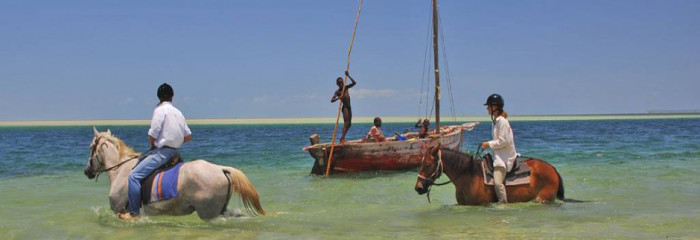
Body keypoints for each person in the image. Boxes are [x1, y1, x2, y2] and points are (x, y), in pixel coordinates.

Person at [118, 83, 192, 220]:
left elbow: (152, 134)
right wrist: (175, 141)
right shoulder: (178, 112)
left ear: (158, 97)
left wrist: (153, 145)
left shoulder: (159, 110)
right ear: (172, 97)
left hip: (162, 152)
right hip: (175, 153)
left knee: (134, 176)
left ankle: (134, 213)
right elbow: (188, 136)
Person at [480, 93, 517, 204]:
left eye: (489, 106)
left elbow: (503, 141)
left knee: (497, 182)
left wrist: (488, 144)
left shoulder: (503, 122)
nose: (487, 108)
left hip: (504, 158)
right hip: (498, 155)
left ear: (495, 107)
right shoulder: (496, 122)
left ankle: (503, 203)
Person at [331, 71, 357, 144]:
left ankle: (343, 138)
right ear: (337, 84)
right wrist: (339, 98)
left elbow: (354, 83)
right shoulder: (338, 92)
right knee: (346, 123)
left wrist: (348, 75)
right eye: (339, 83)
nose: (341, 84)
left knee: (349, 124)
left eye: (342, 82)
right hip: (345, 107)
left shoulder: (346, 88)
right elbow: (332, 100)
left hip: (349, 107)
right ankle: (342, 138)